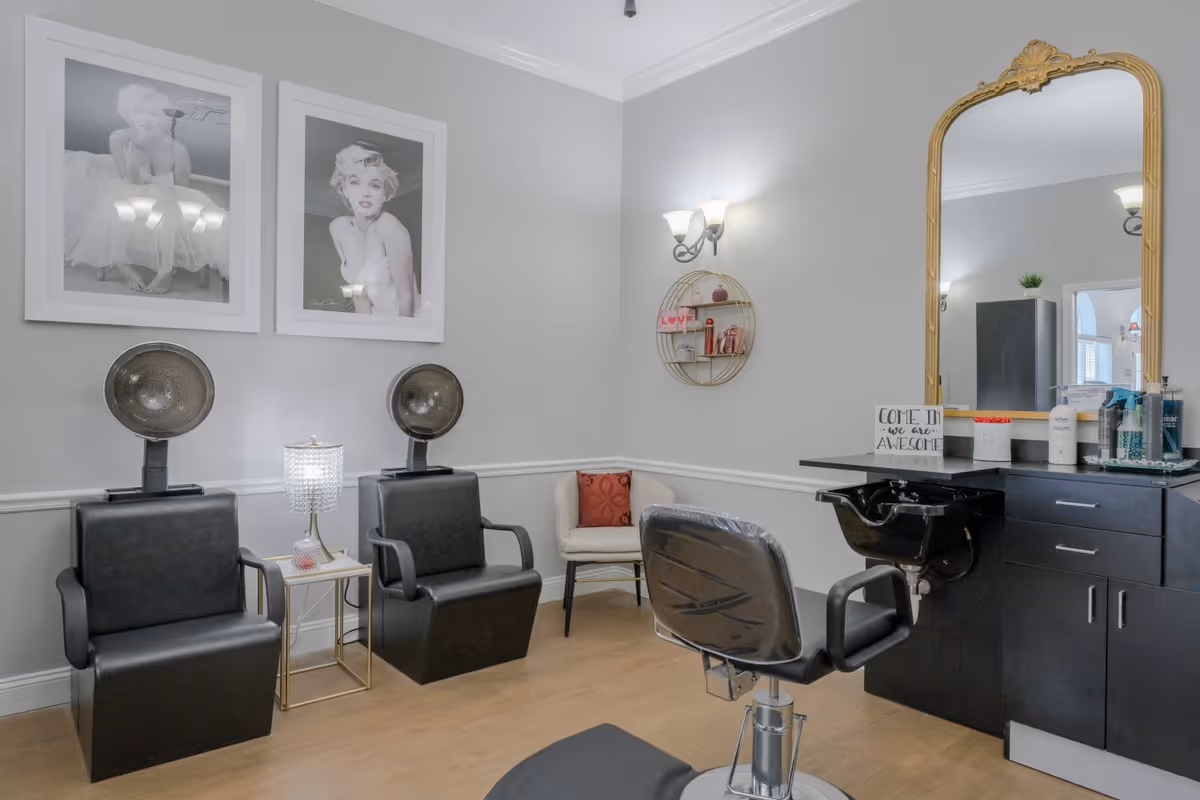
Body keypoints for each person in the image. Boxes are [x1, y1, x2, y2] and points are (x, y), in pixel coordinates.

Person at [65, 83, 228, 295]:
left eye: (153, 114)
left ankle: (166, 270)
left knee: (164, 211)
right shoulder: (119, 138)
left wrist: (153, 181)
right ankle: (123, 266)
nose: (144, 119)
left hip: (168, 193)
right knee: (113, 211)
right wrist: (133, 166)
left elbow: (180, 189)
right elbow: (129, 181)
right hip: (130, 188)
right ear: (129, 115)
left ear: (165, 118)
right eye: (138, 113)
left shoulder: (177, 150)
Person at [328, 144, 417, 316]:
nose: (365, 193)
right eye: (355, 182)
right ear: (343, 189)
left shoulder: (390, 227)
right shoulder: (338, 228)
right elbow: (358, 291)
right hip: (375, 326)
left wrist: (396, 339)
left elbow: (407, 301)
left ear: (385, 194)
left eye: (375, 185)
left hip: (402, 324)